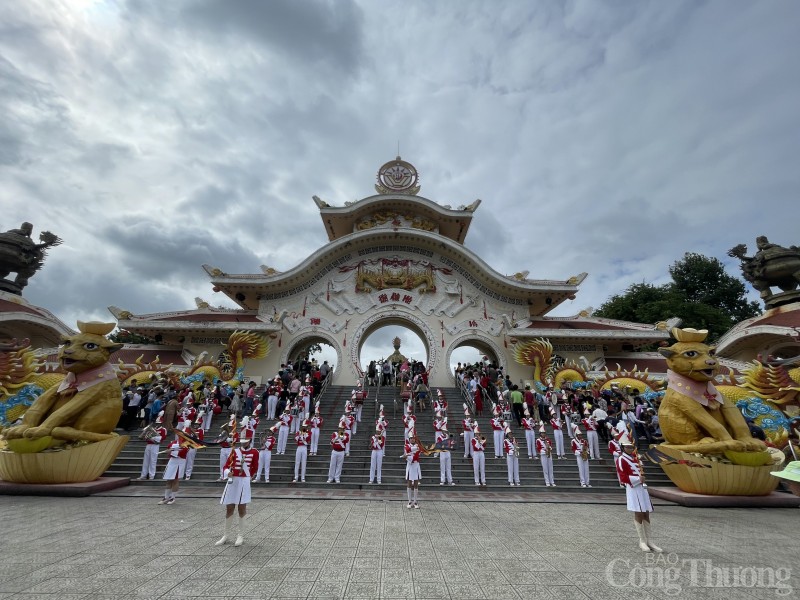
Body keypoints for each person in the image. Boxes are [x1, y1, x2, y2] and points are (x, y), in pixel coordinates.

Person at [615, 433, 662, 552]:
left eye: (631, 447)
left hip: (642, 488)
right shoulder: (621, 459)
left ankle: (649, 541)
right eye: (627, 447)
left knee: (646, 512)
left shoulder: (635, 458)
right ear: (623, 447)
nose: (630, 449)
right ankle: (642, 541)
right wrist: (637, 479)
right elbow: (622, 477)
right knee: (639, 512)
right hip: (633, 487)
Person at [216, 436, 260, 547]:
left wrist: (248, 476)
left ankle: (240, 535)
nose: (243, 443)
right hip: (233, 480)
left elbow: (255, 466)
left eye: (246, 441)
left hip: (244, 481)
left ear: (250, 441)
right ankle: (225, 535)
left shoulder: (255, 452)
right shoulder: (235, 451)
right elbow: (226, 466)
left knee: (241, 507)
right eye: (242, 441)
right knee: (229, 507)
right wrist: (227, 472)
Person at [159, 423, 189, 505]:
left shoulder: (186, 444)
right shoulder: (174, 442)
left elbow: (183, 453)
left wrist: (172, 451)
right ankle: (166, 497)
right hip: (172, 461)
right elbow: (168, 448)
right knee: (169, 480)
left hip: (179, 462)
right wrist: (170, 450)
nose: (180, 436)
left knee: (175, 480)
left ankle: (173, 498)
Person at [136, 413, 166, 480]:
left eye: (159, 423)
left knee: (153, 460)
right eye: (157, 423)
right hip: (148, 445)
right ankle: (143, 475)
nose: (158, 424)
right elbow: (146, 436)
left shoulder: (163, 429)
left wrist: (152, 438)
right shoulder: (153, 428)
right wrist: (145, 436)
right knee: (146, 460)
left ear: (162, 423)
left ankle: (151, 475)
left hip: (155, 446)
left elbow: (161, 439)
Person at [403, 429, 422, 508]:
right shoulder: (406, 445)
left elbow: (417, 456)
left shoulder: (418, 446)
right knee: (409, 483)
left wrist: (409, 456)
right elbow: (407, 450)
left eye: (413, 438)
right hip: (410, 465)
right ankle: (409, 501)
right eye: (411, 438)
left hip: (416, 465)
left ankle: (415, 501)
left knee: (416, 483)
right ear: (409, 439)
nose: (412, 439)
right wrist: (410, 455)